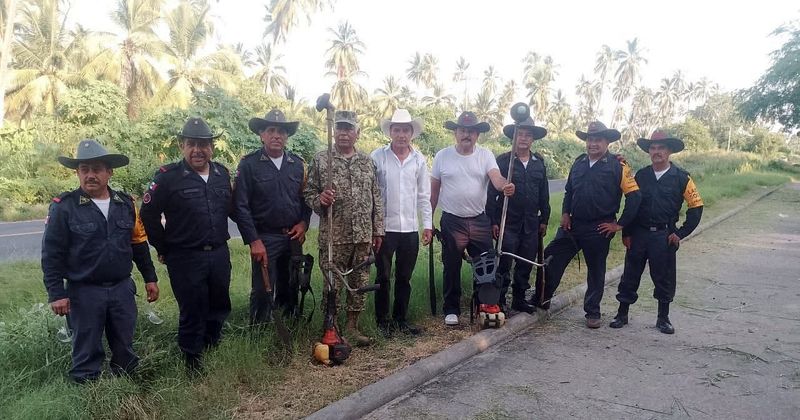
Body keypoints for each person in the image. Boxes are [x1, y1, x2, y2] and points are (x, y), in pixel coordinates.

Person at [41, 139, 159, 383]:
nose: (90, 175)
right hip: (83, 293)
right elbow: (52, 253)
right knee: (86, 353)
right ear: (77, 173)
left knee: (125, 347)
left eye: (96, 169)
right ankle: (88, 399)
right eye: (84, 170)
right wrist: (56, 293)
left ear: (109, 172)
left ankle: (125, 393)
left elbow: (137, 243)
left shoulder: (125, 204)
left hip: (121, 289)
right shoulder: (64, 207)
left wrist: (150, 278)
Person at [140, 117, 232, 371]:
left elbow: (232, 208)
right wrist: (164, 248)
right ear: (182, 146)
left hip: (219, 254)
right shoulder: (168, 177)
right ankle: (192, 360)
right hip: (185, 257)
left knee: (220, 303)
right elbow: (147, 213)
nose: (197, 150)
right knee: (192, 308)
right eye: (191, 144)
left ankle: (212, 347)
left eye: (203, 144)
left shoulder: (221, 174)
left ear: (212, 147)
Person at [541, 121, 641, 329]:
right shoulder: (578, 163)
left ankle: (592, 311)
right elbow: (569, 192)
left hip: (599, 227)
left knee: (596, 271)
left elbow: (635, 197)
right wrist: (566, 213)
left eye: (598, 139)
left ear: (607, 142)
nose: (593, 143)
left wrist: (619, 225)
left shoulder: (619, 166)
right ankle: (543, 299)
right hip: (573, 225)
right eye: (590, 139)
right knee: (551, 257)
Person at [610, 130, 704, 334]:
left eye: (661, 148)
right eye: (653, 148)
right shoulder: (641, 176)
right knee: (630, 275)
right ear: (649, 151)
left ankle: (663, 318)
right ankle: (622, 313)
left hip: (664, 236)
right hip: (639, 234)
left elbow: (696, 207)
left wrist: (680, 233)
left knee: (664, 277)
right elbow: (631, 204)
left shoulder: (682, 178)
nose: (657, 151)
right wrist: (626, 232)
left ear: (669, 151)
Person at [304, 110, 384, 346]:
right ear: (333, 132)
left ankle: (352, 327)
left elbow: (376, 197)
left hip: (362, 236)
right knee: (333, 285)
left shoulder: (367, 162)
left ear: (357, 133)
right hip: (334, 237)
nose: (344, 133)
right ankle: (332, 328)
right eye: (339, 128)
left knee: (359, 283)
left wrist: (378, 230)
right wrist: (320, 199)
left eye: (349, 128)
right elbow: (308, 193)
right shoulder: (321, 160)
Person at [431, 111, 515, 326]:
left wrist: (504, 185)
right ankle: (451, 309)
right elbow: (433, 192)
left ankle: (484, 305)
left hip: (479, 220)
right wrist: (428, 222)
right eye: (462, 130)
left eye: (471, 131)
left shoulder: (486, 155)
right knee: (451, 266)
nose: (466, 135)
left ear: (477, 134)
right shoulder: (442, 156)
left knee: (486, 265)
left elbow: (496, 178)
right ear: (455, 133)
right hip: (452, 221)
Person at [233, 109, 311, 324]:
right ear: (262, 134)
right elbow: (240, 206)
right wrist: (253, 240)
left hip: (293, 237)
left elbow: (306, 199)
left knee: (291, 284)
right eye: (271, 130)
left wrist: (304, 223)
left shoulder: (298, 165)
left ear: (287, 136)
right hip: (264, 238)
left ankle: (288, 325)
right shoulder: (248, 165)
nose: (276, 135)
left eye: (281, 131)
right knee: (262, 290)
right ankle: (259, 332)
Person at [371, 109, 433, 337]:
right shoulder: (377, 157)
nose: (401, 135)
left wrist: (428, 224)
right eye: (396, 130)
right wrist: (373, 227)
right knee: (383, 276)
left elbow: (423, 196)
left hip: (409, 229)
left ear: (411, 133)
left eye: (405, 130)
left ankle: (400, 319)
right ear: (390, 132)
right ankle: (382, 321)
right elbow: (371, 194)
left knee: (404, 277)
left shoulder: (419, 160)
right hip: (384, 229)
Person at [486, 117, 550, 314]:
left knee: (525, 263)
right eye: (520, 134)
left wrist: (545, 219)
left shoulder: (539, 163)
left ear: (533, 139)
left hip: (531, 223)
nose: (523, 138)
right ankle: (500, 301)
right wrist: (493, 221)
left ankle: (519, 299)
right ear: (514, 138)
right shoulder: (503, 162)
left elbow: (544, 194)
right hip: (508, 222)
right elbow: (491, 194)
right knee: (504, 263)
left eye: (528, 135)